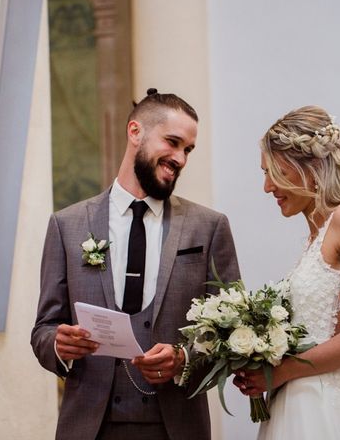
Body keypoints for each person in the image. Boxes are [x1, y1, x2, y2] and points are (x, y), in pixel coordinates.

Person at [31, 89, 240, 440]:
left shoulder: (209, 226)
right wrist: (58, 344)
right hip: (88, 426)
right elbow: (44, 329)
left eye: (188, 149)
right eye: (172, 142)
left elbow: (232, 332)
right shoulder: (66, 225)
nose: (181, 159)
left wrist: (183, 358)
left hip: (176, 427)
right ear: (135, 132)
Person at [234, 106, 340, 439]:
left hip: (324, 408)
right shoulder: (313, 239)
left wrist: (285, 370)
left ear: (309, 167)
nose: (267, 187)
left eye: (274, 172)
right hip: (293, 404)